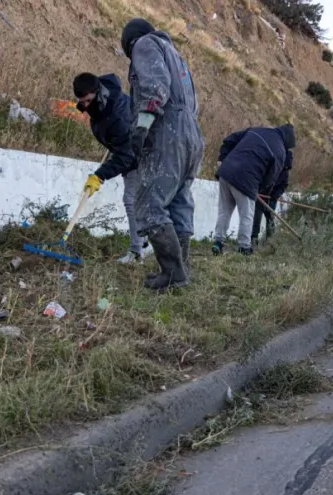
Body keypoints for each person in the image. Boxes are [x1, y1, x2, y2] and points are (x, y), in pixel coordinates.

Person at [121, 17, 205, 291]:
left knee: (149, 204)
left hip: (167, 130)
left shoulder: (144, 44)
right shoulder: (178, 57)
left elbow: (155, 83)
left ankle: (172, 273)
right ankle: (182, 270)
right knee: (179, 200)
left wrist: (143, 123)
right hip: (191, 133)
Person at [73, 72, 148, 265]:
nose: (86, 106)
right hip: (128, 150)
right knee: (140, 201)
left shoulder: (118, 115)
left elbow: (126, 155)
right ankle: (145, 241)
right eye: (82, 102)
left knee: (131, 200)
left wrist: (99, 176)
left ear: (98, 93)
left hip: (144, 152)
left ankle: (137, 251)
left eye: (89, 101)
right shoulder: (100, 102)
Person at [212, 123, 296, 255]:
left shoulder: (256, 130)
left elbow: (230, 139)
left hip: (225, 172)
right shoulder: (280, 150)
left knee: (225, 211)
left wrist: (222, 158)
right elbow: (271, 177)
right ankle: (244, 247)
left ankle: (218, 242)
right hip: (247, 179)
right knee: (247, 215)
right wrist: (259, 189)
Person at [251, 147, 293, 245]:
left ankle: (270, 240)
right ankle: (253, 238)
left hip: (272, 199)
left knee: (270, 219)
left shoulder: (285, 173)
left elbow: (283, 185)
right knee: (256, 217)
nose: (285, 168)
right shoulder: (272, 167)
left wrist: (276, 195)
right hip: (261, 196)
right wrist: (258, 190)